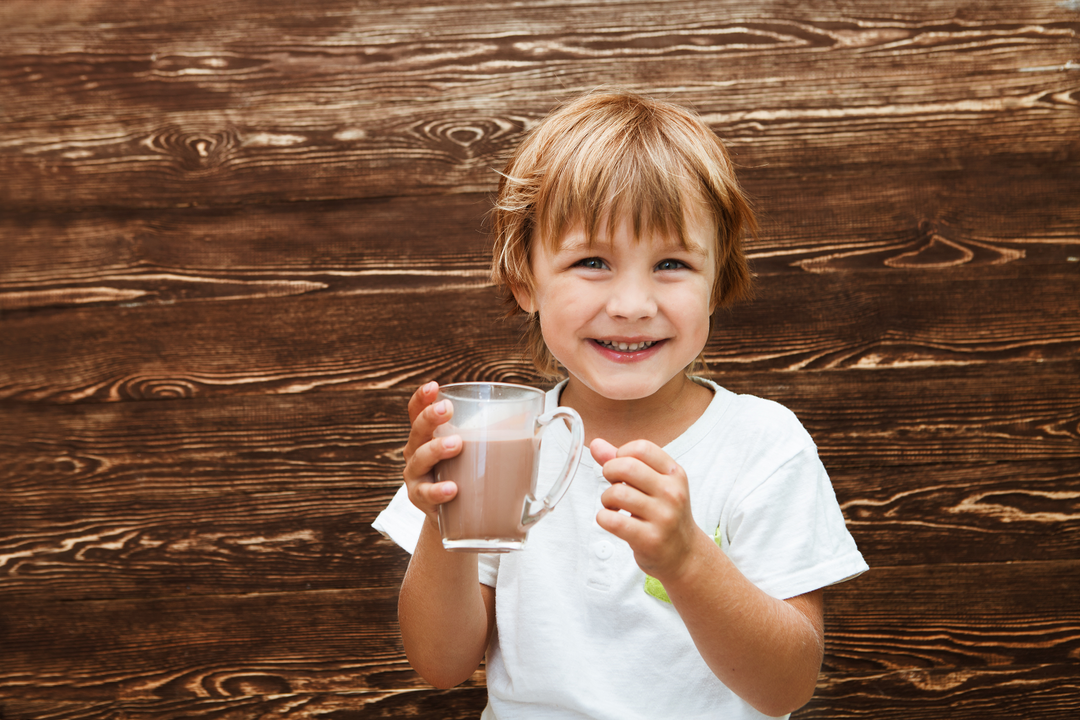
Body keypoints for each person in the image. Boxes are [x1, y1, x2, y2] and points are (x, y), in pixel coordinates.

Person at [373, 89, 868, 719]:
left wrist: (688, 561)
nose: (633, 304)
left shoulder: (763, 444)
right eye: (592, 261)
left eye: (670, 263)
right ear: (526, 281)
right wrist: (442, 520)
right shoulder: (493, 437)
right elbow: (440, 665)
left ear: (715, 282)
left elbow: (787, 686)